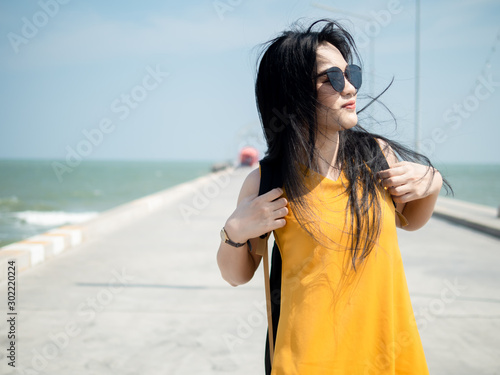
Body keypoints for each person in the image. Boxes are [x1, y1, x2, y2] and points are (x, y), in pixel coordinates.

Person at [216, 19, 452, 375]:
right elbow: (237, 276)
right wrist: (234, 232)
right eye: (335, 78)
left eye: (352, 74)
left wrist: (430, 185)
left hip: (386, 356)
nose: (351, 88)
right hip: (307, 362)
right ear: (293, 92)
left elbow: (410, 220)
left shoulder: (376, 155)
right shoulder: (268, 181)